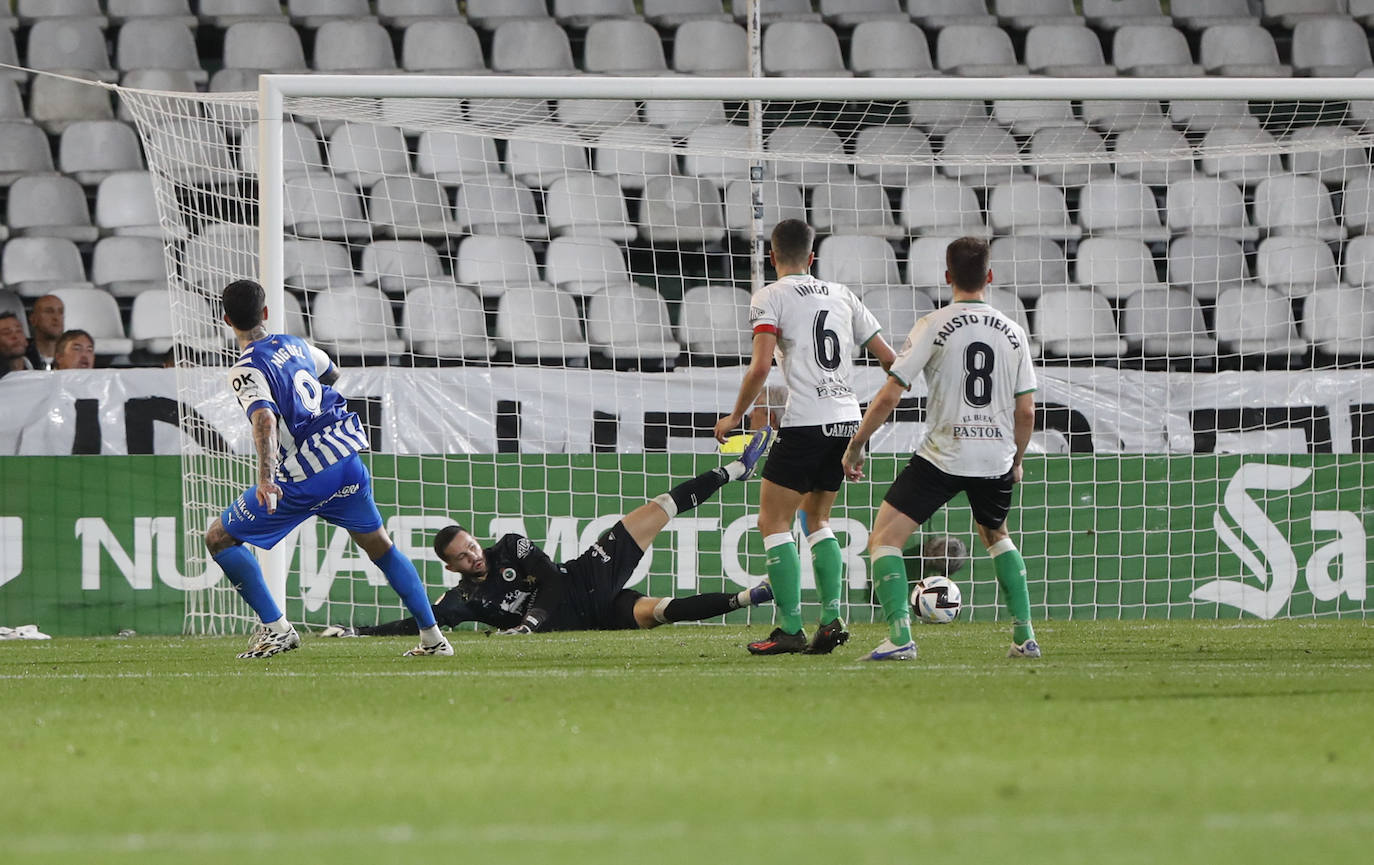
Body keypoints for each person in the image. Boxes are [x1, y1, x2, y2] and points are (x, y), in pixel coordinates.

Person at [203, 279, 452, 659]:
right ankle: (433, 639)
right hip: (346, 459)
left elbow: (264, 419)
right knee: (381, 547)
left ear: (225, 320)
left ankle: (278, 630)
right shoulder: (295, 344)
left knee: (219, 538)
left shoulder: (245, 369)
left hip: (304, 476)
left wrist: (266, 479)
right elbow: (330, 374)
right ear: (266, 313)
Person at [322, 431, 776, 638]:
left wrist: (530, 624)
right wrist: (358, 633)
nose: (474, 557)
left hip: (584, 579)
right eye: (463, 557)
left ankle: (734, 469)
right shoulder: (463, 600)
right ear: (450, 566)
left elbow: (553, 579)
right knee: (660, 612)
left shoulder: (509, 547)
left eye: (472, 547)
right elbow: (418, 622)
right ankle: (748, 598)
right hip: (591, 618)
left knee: (659, 508)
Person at [841, 237, 1039, 661]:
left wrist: (857, 444)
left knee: (884, 540)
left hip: (945, 452)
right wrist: (1016, 460)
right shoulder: (1015, 332)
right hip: (995, 456)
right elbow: (1027, 411)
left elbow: (890, 395)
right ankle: (1024, 637)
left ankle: (899, 636)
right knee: (996, 535)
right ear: (989, 276)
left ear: (948, 277)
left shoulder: (933, 324)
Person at [713, 218, 897, 656]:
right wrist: (862, 432)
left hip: (806, 419)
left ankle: (791, 628)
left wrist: (734, 417)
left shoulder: (770, 296)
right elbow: (892, 360)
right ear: (812, 258)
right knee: (817, 521)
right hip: (846, 420)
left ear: (772, 256)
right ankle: (831, 620)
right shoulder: (842, 294)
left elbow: (760, 368)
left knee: (772, 522)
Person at [25, 294, 64, 371]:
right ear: (33, 319)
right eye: (49, 311)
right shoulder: (20, 356)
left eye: (60, 312)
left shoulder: (72, 354)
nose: (56, 318)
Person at [0, 311, 33, 378]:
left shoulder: (40, 368)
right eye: (6, 333)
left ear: (26, 341)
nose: (15, 336)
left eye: (19, 331)